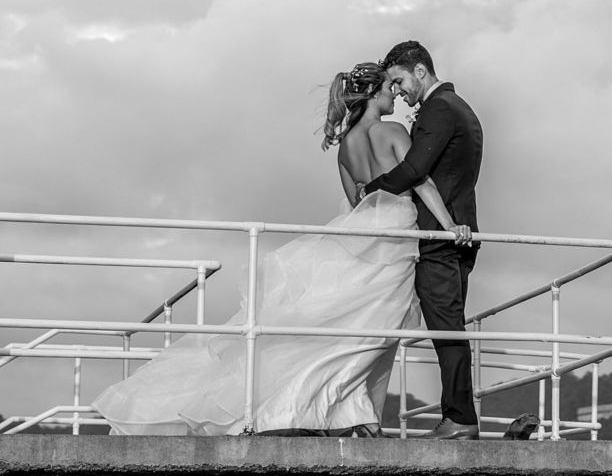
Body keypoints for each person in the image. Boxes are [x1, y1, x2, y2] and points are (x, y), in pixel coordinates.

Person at [92, 62, 470, 436]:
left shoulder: (345, 149)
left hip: (364, 237)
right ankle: (341, 410)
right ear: (373, 93)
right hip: (396, 240)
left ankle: (355, 413)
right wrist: (450, 226)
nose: (395, 95)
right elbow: (421, 181)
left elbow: (356, 203)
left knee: (355, 332)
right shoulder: (392, 131)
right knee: (373, 335)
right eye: (389, 88)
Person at [362, 40, 483, 441]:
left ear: (419, 71)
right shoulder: (459, 106)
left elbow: (415, 169)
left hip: (439, 237)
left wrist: (372, 192)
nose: (397, 92)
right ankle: (458, 415)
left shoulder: (439, 109)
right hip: (457, 233)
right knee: (448, 327)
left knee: (447, 329)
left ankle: (460, 417)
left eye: (398, 81)